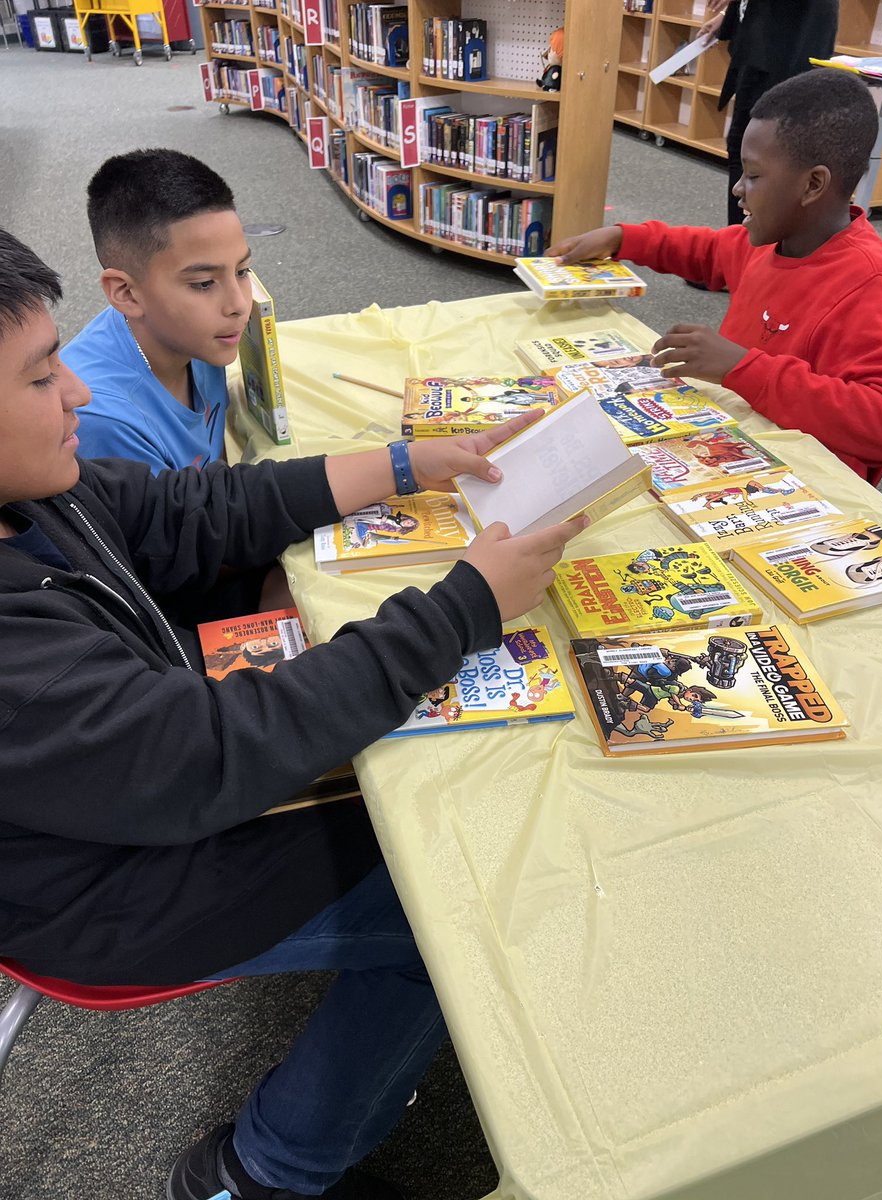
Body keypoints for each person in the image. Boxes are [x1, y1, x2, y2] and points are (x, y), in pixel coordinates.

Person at [0, 228, 585, 1200]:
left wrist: (408, 461)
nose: (80, 395)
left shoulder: (33, 495)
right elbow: (212, 758)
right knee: (456, 894)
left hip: (145, 775)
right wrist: (464, 605)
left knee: (420, 779)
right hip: (101, 893)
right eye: (37, 378)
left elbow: (200, 507)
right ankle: (265, 1168)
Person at [548, 69, 882, 487]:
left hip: (803, 489)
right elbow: (706, 249)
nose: (738, 188)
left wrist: (742, 367)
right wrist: (623, 237)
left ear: (813, 184)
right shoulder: (766, 242)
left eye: (753, 175)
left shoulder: (873, 283)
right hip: (726, 447)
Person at [60, 148, 252, 474]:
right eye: (204, 284)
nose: (238, 305)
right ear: (126, 293)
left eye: (242, 271)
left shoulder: (200, 339)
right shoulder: (106, 423)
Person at [700, 0, 838, 225]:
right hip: (760, 47)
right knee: (743, 147)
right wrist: (729, 14)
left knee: (771, 154)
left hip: (788, 52)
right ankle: (742, 236)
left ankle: (754, 237)